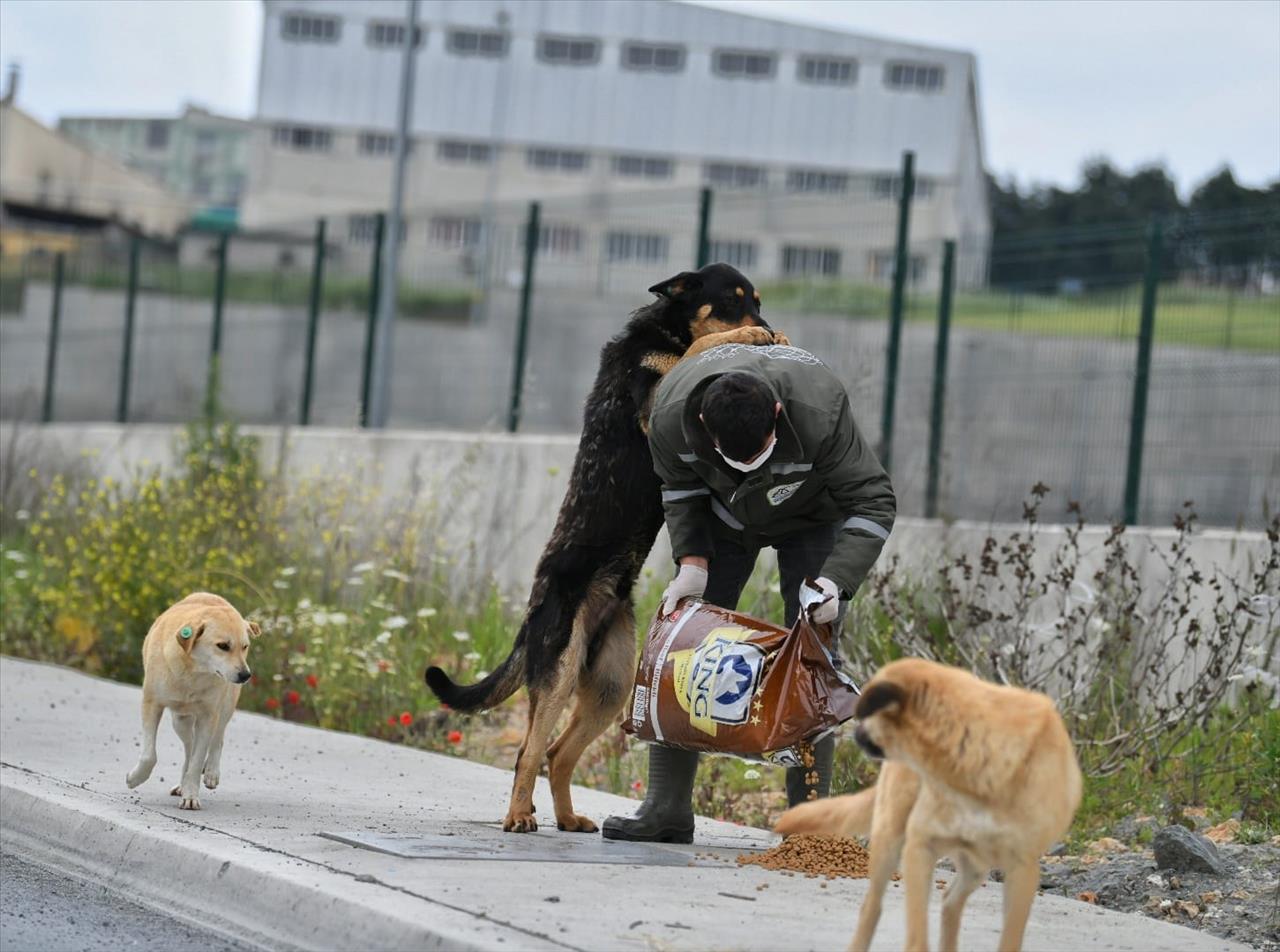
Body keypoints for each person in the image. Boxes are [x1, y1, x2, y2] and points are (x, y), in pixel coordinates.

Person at [602, 341, 895, 844]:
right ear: (703, 423)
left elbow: (873, 499)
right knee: (686, 643)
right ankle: (666, 808)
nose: (749, 466)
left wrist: (835, 583)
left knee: (813, 651)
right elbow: (679, 488)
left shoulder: (819, 409)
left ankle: (809, 831)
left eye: (759, 452)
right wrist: (692, 562)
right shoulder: (670, 413)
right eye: (734, 456)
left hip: (811, 516)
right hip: (724, 517)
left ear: (778, 416)